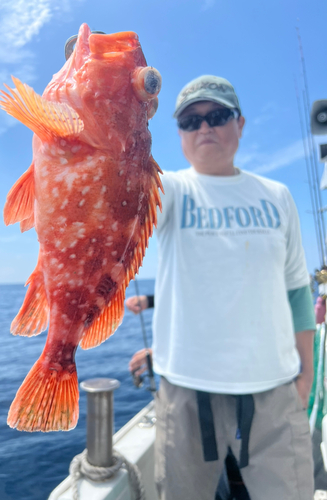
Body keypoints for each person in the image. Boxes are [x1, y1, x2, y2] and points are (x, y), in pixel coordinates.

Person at [126, 75, 316, 500]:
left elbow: (296, 292)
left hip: (273, 392)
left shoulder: (278, 196)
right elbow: (118, 171)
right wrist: (112, 94)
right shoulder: (168, 190)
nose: (204, 127)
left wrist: (307, 374)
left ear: (240, 124)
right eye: (191, 121)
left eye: (217, 116)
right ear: (178, 134)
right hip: (186, 395)